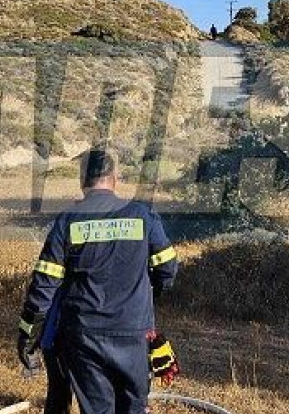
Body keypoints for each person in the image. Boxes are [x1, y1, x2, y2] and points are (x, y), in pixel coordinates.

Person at [17, 149, 179, 414]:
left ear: (82, 179)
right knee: (134, 408)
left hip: (83, 336)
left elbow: (43, 289)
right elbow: (167, 270)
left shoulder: (66, 223)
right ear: (115, 177)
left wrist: (27, 337)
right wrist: (144, 297)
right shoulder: (142, 216)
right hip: (133, 332)